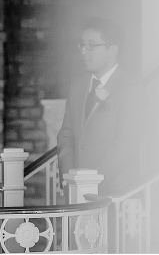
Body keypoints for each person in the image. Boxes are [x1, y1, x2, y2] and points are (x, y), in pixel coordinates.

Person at [57, 17, 141, 196]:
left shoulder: (131, 88)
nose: (83, 51)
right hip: (77, 193)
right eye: (81, 45)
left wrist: (90, 184)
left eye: (91, 45)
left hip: (113, 195)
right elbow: (66, 136)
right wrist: (69, 179)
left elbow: (125, 146)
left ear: (112, 49)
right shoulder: (77, 87)